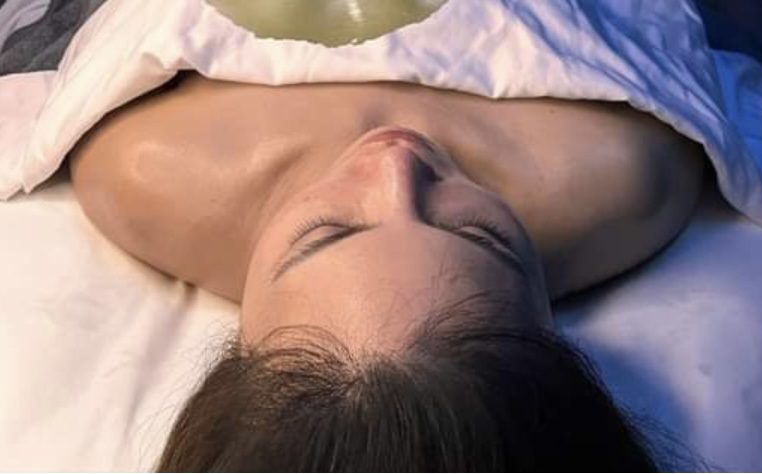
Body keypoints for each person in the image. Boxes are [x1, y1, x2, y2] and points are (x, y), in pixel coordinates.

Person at [67, 70, 706, 471]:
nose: (395, 164)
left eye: (326, 233)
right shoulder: (623, 175)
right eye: (476, 234)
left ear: (238, 343)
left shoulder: (145, 169)